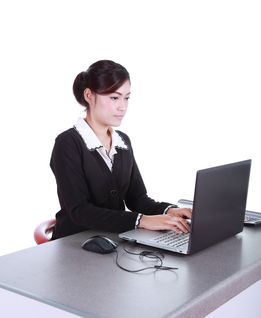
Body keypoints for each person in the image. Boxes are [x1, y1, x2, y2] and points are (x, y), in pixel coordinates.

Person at [50, 59, 192, 240]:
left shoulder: (122, 142)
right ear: (89, 96)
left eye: (126, 98)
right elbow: (80, 211)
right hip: (74, 243)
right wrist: (142, 220)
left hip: (113, 241)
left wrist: (171, 211)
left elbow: (137, 199)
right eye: (114, 98)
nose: (122, 106)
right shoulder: (67, 143)